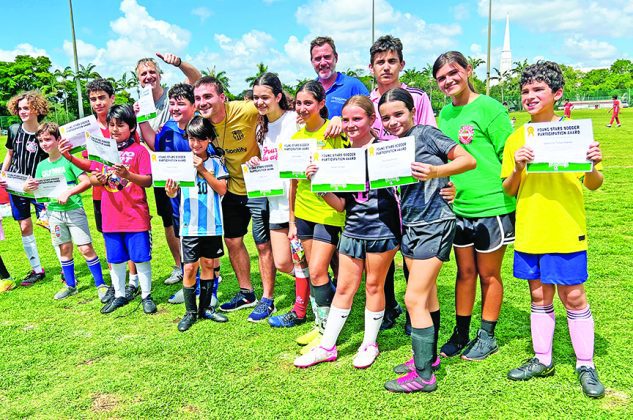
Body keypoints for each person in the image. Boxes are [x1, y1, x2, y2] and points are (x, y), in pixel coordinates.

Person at [501, 61, 605, 398]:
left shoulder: (576, 133)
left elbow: (594, 183)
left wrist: (591, 164)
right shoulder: (517, 138)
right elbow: (509, 188)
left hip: (565, 228)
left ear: (556, 94)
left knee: (573, 295)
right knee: (538, 294)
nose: (529, 96)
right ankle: (542, 359)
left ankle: (585, 364)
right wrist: (518, 167)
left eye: (537, 90)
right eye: (525, 91)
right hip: (531, 229)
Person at [378, 88, 476, 393]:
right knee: (428, 295)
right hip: (411, 226)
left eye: (399, 114)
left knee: (413, 298)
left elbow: (467, 160)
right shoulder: (392, 147)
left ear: (412, 111)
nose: (393, 122)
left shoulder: (426, 134)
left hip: (436, 225)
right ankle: (428, 358)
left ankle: (423, 377)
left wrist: (437, 172)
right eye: (386, 118)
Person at [294, 95, 400, 369]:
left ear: (371, 120)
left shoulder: (387, 149)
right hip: (353, 227)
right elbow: (340, 205)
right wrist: (320, 184)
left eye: (358, 119)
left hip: (382, 229)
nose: (352, 125)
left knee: (374, 285)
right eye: (348, 119)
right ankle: (327, 346)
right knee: (344, 287)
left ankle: (369, 344)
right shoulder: (341, 155)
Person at [432, 51, 515, 361]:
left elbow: (509, 154)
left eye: (453, 73)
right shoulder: (445, 115)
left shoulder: (489, 108)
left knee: (488, 274)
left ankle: (487, 335)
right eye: (441, 78)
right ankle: (461, 332)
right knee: (464, 272)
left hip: (492, 206)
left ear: (467, 70)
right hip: (459, 208)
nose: (448, 81)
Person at [368, 34, 438, 332]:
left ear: (402, 64)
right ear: (371, 67)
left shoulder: (418, 98)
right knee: (381, 248)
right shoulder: (367, 103)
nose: (386, 67)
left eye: (391, 61)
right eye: (380, 62)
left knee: (413, 253)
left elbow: (430, 141)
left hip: (414, 191)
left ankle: (415, 312)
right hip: (381, 190)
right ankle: (387, 307)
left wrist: (440, 182)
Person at [193, 76, 276, 321]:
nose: (202, 102)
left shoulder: (247, 109)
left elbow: (281, 111)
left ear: (222, 97)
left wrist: (331, 116)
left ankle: (267, 299)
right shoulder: (202, 123)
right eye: (198, 98)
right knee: (232, 241)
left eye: (207, 96)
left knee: (263, 245)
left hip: (258, 187)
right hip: (230, 189)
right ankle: (246, 292)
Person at [59, 78, 137, 302]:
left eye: (102, 97)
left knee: (129, 235)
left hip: (125, 192)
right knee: (109, 237)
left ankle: (133, 281)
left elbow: (135, 155)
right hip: (100, 194)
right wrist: (68, 154)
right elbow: (86, 164)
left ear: (112, 98)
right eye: (93, 99)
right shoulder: (85, 130)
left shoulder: (122, 123)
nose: (98, 103)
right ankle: (116, 282)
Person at [289, 81, 348, 354]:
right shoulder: (295, 141)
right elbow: (292, 184)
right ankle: (321, 323)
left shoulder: (334, 132)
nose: (302, 108)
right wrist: (291, 220)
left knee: (317, 270)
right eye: (298, 103)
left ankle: (327, 329)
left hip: (328, 211)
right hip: (303, 212)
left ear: (321, 104)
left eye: (308, 103)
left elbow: (350, 168)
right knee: (314, 271)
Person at [248, 72, 311, 327]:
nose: (260, 102)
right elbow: (271, 164)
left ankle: (303, 307)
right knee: (284, 262)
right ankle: (317, 289)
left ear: (278, 96)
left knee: (300, 260)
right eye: (256, 98)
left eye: (265, 97)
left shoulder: (294, 121)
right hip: (276, 204)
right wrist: (257, 163)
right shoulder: (261, 129)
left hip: (299, 204)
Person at [135, 53, 201, 285]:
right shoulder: (139, 104)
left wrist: (179, 63)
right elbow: (153, 142)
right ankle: (181, 267)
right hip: (162, 169)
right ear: (138, 79)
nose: (149, 76)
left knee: (196, 219)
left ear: (160, 74)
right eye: (143, 73)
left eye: (152, 71)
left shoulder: (174, 96)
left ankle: (205, 270)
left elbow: (197, 79)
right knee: (170, 221)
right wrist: (140, 117)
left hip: (190, 168)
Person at [24, 123, 108, 300]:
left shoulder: (68, 160)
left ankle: (101, 284)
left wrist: (69, 192)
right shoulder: (41, 166)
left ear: (58, 140)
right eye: (40, 141)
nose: (44, 144)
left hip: (73, 211)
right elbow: (40, 191)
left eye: (48, 139)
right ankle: (70, 285)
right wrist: (28, 187)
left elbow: (86, 181)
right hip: (54, 213)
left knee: (85, 248)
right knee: (64, 248)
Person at [165, 116, 229, 331]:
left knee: (209, 265)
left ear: (209, 139)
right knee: (190, 268)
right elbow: (174, 192)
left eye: (200, 139)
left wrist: (202, 169)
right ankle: (190, 312)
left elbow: (222, 189)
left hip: (212, 224)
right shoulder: (181, 162)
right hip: (189, 226)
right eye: (191, 138)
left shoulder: (216, 163)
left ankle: (206, 309)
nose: (195, 144)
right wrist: (171, 191)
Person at [92, 105, 156, 315]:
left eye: (121, 125)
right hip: (110, 215)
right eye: (111, 125)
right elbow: (94, 176)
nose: (115, 129)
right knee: (115, 258)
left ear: (131, 127)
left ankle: (146, 295)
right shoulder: (102, 151)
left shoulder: (139, 151)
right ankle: (119, 294)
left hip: (135, 214)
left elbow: (148, 181)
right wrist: (99, 180)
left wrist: (128, 175)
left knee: (141, 257)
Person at [0, 91, 49, 286]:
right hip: (16, 186)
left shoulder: (46, 131)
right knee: (24, 226)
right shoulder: (13, 130)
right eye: (20, 108)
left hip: (39, 187)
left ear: (37, 109)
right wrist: (2, 173)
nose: (22, 112)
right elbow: (10, 155)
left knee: (51, 225)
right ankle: (37, 269)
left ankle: (66, 267)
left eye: (26, 108)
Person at [310, 36, 369, 120]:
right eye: (318, 59)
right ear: (312, 62)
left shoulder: (354, 86)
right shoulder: (309, 90)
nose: (322, 63)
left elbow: (369, 115)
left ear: (336, 58)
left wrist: (341, 120)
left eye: (327, 57)